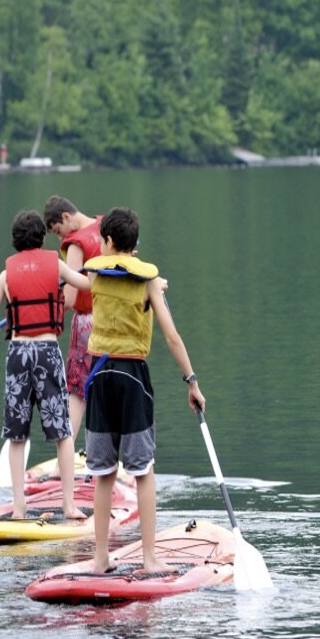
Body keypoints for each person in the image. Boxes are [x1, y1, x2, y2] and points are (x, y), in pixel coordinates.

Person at [82, 207, 205, 572]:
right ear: (135, 245)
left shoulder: (96, 277)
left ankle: (100, 558)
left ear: (107, 242)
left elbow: (96, 278)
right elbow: (171, 336)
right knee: (142, 471)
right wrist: (192, 382)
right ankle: (150, 559)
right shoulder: (148, 282)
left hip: (100, 375)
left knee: (103, 472)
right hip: (133, 376)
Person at [0, 209, 92, 520]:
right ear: (42, 238)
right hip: (46, 353)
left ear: (15, 241)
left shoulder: (6, 275)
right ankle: (69, 506)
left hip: (18, 355)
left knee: (17, 435)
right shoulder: (54, 264)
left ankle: (18, 508)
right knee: (63, 432)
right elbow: (84, 284)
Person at [43, 195, 103, 441]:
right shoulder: (106, 224)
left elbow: (69, 298)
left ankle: (65, 452)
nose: (61, 239)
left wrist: (41, 312)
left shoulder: (75, 243)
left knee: (78, 390)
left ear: (66, 217)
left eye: (58, 231)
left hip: (88, 323)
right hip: (114, 317)